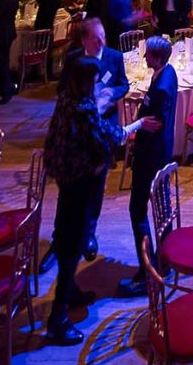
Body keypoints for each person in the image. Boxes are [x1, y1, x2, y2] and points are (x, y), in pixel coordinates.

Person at [43, 56, 124, 345]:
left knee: (67, 241)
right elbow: (107, 139)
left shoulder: (64, 101)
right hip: (80, 186)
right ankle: (58, 320)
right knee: (72, 245)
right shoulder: (83, 109)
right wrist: (122, 125)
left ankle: (71, 292)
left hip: (66, 183)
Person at [42, 17, 130, 270]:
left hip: (102, 129)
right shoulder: (73, 59)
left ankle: (89, 233)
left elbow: (123, 83)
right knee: (69, 193)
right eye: (95, 37)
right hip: (77, 133)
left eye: (103, 35)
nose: (101, 41)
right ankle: (59, 241)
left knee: (97, 187)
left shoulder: (114, 56)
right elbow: (61, 90)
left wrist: (112, 93)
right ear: (84, 41)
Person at [121, 36, 177, 296]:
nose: (144, 59)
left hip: (151, 157)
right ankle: (165, 260)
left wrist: (137, 130)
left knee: (138, 211)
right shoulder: (169, 73)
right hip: (161, 153)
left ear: (157, 57)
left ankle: (148, 272)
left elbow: (154, 124)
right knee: (162, 206)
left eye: (148, 55)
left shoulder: (163, 88)